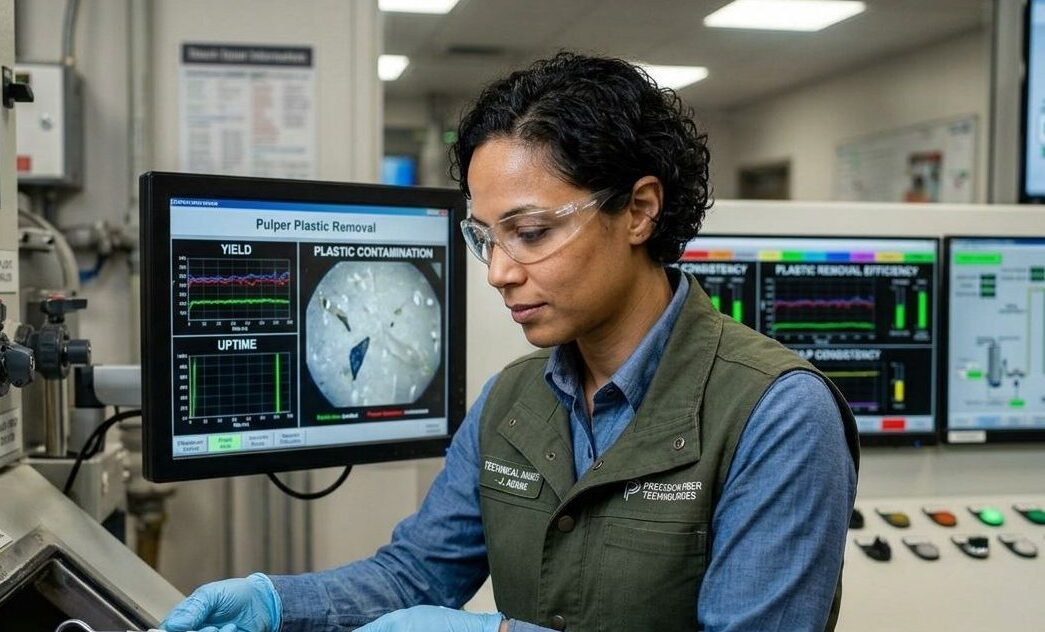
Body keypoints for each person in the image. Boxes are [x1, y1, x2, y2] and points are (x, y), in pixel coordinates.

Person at [162, 52, 858, 632]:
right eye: (484, 238)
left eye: (529, 233)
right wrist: (278, 603)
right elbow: (415, 575)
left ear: (639, 210)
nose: (498, 272)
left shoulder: (776, 414)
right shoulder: (513, 401)